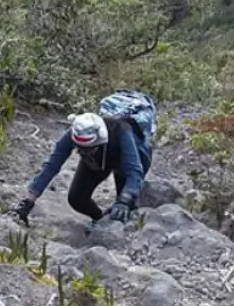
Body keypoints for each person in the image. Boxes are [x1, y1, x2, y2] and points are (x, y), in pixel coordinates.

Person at [11, 90, 156, 230]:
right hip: (98, 159)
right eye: (79, 148)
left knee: (125, 205)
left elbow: (134, 171)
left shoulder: (122, 130)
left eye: (88, 148)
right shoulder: (75, 132)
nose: (82, 152)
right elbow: (52, 165)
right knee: (77, 198)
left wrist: (125, 200)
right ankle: (99, 219)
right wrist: (29, 201)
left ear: (100, 140)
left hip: (131, 155)